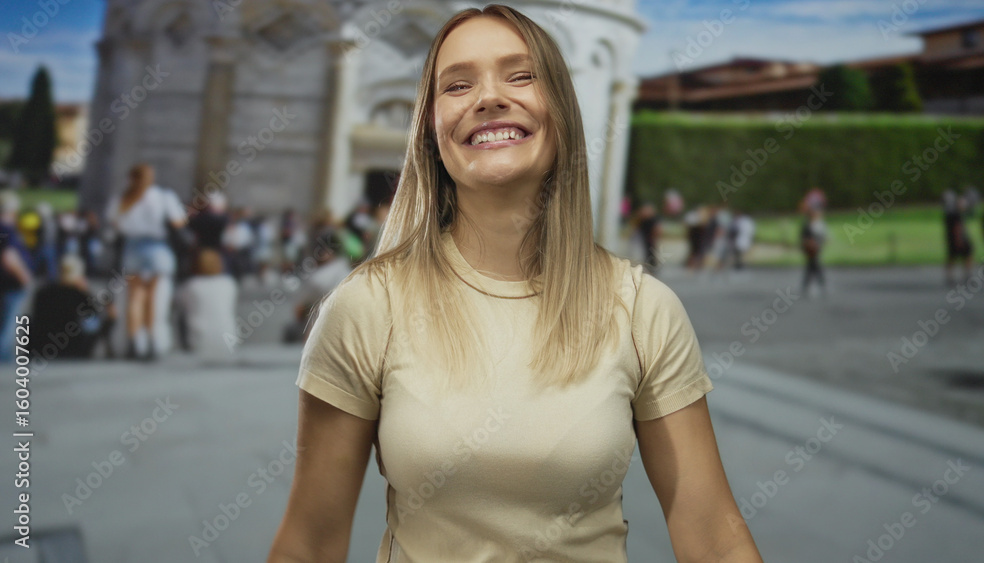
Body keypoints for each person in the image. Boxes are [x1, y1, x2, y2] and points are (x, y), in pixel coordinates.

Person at [268, 6, 763, 563]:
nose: (489, 97)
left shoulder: (642, 308)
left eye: (521, 75)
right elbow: (308, 543)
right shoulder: (366, 306)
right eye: (457, 84)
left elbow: (714, 538)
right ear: (431, 130)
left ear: (563, 111)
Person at [105, 163, 187, 361]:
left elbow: (114, 223)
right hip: (157, 247)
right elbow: (178, 221)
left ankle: (134, 340)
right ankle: (151, 340)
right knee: (152, 297)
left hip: (133, 247)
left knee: (135, 298)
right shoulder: (162, 197)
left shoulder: (123, 199)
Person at [29, 254, 116, 359]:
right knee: (93, 323)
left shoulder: (42, 294)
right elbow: (95, 328)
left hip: (41, 350)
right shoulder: (82, 297)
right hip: (73, 352)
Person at [175, 248, 238, 364]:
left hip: (199, 340)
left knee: (182, 314)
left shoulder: (191, 285)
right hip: (228, 340)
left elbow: (177, 303)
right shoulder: (229, 283)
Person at [0, 191, 33, 363]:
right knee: (8, 326)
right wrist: (25, 278)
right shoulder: (7, 230)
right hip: (11, 284)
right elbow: (9, 257)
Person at [944, 195, 974, 286]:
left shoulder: (951, 214)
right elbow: (957, 229)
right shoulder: (957, 215)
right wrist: (959, 240)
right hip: (959, 240)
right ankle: (967, 275)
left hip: (953, 240)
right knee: (965, 256)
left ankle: (950, 276)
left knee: (953, 258)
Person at [800, 207, 827, 297]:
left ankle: (807, 285)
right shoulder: (808, 226)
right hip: (810, 249)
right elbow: (804, 239)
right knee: (814, 266)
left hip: (815, 248)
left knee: (811, 267)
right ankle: (821, 284)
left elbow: (822, 236)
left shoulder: (817, 225)